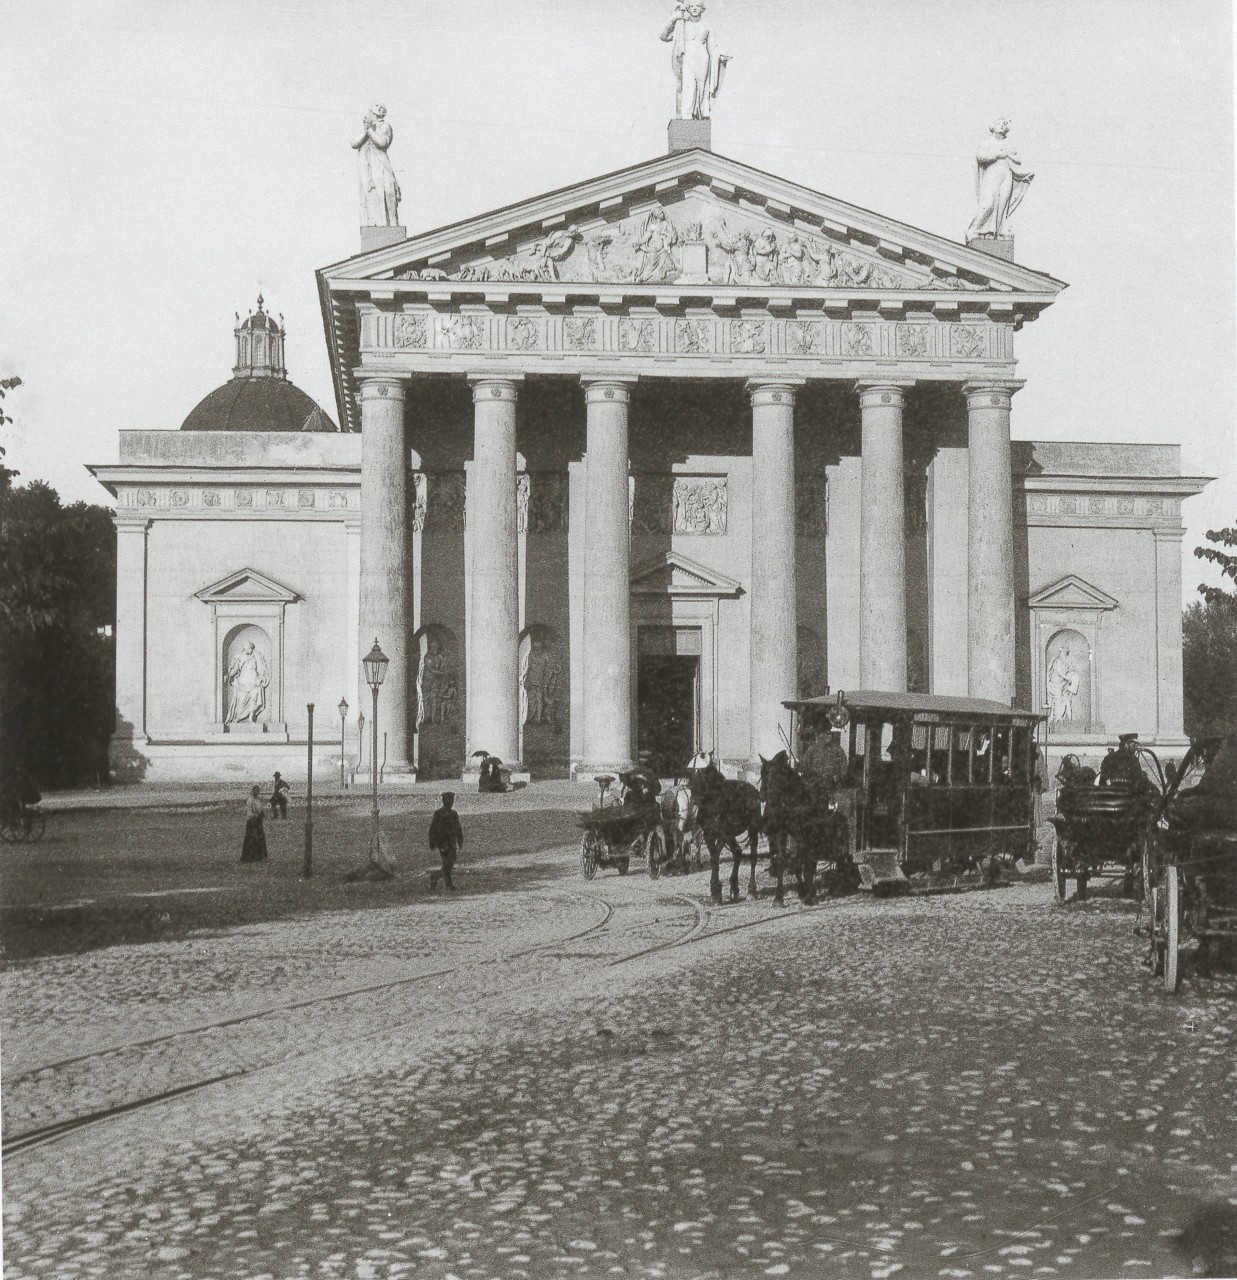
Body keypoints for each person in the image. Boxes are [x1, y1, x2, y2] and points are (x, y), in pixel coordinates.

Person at [428, 792, 464, 891]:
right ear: (444, 801)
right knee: (448, 863)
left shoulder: (454, 814)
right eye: (449, 800)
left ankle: (437, 877)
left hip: (451, 842)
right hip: (443, 842)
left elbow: (458, 828)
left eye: (452, 800)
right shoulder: (438, 813)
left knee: (449, 863)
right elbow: (433, 829)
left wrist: (460, 840)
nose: (451, 802)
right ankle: (447, 884)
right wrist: (432, 842)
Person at [240, 784, 267, 863]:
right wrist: (256, 816)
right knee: (251, 839)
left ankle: (259, 857)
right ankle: (249, 858)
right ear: (252, 791)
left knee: (260, 839)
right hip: (251, 822)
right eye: (255, 791)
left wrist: (262, 814)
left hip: (258, 821)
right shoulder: (250, 800)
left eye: (258, 791)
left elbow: (261, 809)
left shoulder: (259, 799)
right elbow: (249, 813)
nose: (256, 792)